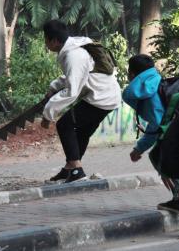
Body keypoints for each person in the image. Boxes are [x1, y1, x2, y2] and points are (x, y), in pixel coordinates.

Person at [122, 54, 179, 239]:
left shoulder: (147, 93)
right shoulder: (159, 82)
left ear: (132, 73)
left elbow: (157, 125)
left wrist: (139, 149)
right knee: (162, 162)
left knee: (171, 169)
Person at [40, 20, 121, 183]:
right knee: (81, 132)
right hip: (106, 97)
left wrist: (48, 113)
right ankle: (70, 168)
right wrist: (54, 87)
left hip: (100, 99)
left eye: (46, 39)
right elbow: (75, 76)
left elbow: (72, 90)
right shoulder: (74, 48)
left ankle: (77, 170)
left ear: (54, 40)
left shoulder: (73, 55)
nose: (45, 43)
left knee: (64, 124)